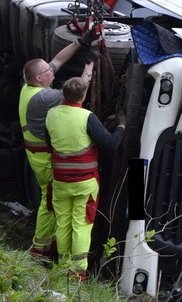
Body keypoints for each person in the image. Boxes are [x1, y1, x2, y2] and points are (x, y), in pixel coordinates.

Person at [20, 28, 100, 263]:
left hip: (34, 151)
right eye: (48, 72)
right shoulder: (45, 98)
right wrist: (90, 65)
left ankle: (54, 243)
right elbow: (78, 91)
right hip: (44, 158)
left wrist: (80, 42)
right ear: (39, 78)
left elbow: (57, 60)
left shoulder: (27, 86)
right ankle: (40, 248)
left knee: (56, 203)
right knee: (49, 203)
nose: (52, 72)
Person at [45, 73, 125, 280]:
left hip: (60, 180)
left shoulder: (51, 115)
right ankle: (78, 272)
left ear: (63, 93)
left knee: (62, 222)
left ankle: (63, 266)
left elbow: (48, 142)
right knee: (81, 224)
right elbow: (110, 144)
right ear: (83, 96)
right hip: (85, 182)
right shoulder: (86, 117)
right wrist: (122, 127)